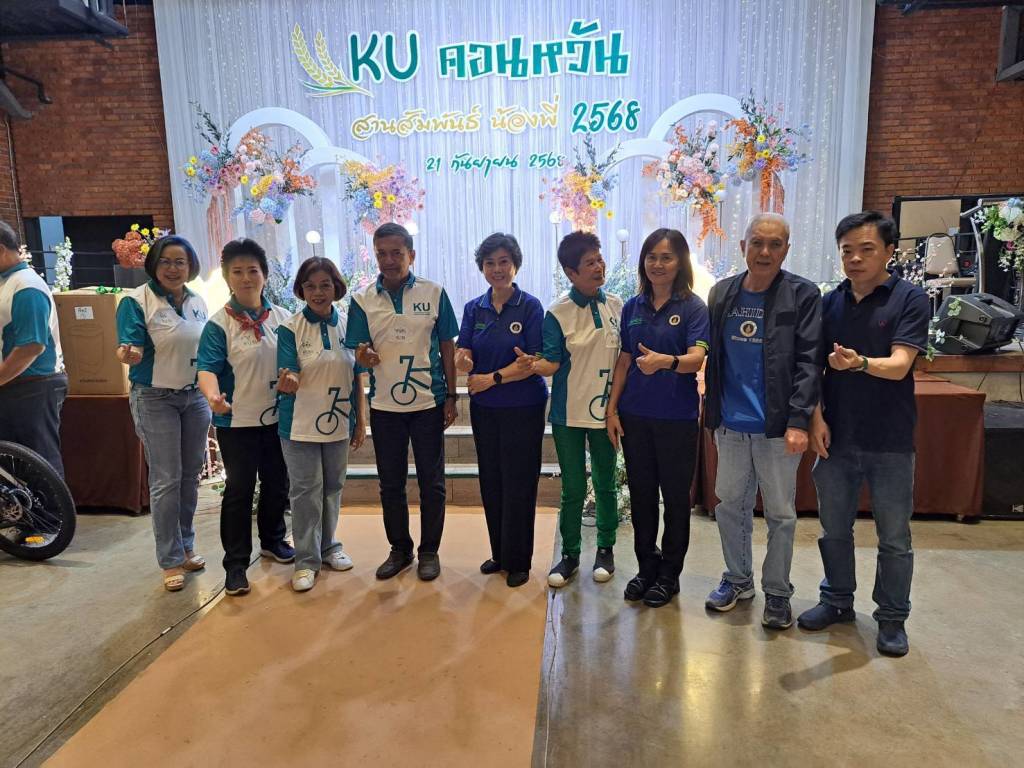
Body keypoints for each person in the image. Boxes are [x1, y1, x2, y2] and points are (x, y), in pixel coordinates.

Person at [798, 211, 929, 657]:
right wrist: (816, 419)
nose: (854, 259)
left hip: (890, 440)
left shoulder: (909, 299)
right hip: (837, 438)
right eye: (846, 251)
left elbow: (900, 365)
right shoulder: (829, 303)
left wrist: (859, 363)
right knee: (834, 529)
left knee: (894, 537)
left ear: (889, 251)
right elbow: (812, 368)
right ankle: (837, 600)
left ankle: (892, 618)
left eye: (866, 249)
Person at [703, 213, 822, 629]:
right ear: (743, 247)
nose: (765, 252)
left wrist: (799, 420)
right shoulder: (721, 294)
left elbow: (809, 362)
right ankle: (738, 580)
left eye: (775, 244)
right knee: (729, 506)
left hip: (777, 429)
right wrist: (712, 416)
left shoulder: (803, 295)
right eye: (757, 242)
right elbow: (713, 357)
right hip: (730, 425)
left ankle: (778, 593)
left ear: (786, 249)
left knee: (780, 514)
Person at [344, 223, 459, 582]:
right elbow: (358, 350)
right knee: (390, 484)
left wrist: (451, 396)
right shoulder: (362, 300)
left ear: (411, 254)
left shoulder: (434, 293)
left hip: (427, 404)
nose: (389, 260)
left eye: (397, 253)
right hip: (385, 407)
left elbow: (447, 347)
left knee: (432, 483)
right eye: (382, 254)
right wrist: (364, 355)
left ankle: (429, 551)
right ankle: (400, 549)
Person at [605, 228, 709, 608]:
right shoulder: (632, 308)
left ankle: (669, 575)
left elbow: (697, 358)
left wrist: (667, 362)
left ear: (680, 262)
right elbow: (624, 361)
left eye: (666, 257)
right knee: (643, 496)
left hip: (677, 418)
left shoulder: (694, 307)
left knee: (676, 500)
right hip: (636, 416)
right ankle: (646, 568)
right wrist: (612, 410)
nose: (658, 264)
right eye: (651, 257)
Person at [516, 230, 623, 588]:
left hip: (606, 413)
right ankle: (571, 555)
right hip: (569, 414)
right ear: (571, 272)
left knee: (606, 483)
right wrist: (534, 365)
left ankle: (605, 549)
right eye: (589, 263)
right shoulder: (557, 312)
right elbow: (552, 362)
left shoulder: (617, 306)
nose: (598, 266)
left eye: (599, 259)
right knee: (574, 488)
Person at [197, 238, 294, 597]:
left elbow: (295, 361)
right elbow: (207, 369)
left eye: (253, 270)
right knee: (239, 490)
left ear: (264, 275)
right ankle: (236, 564)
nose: (246, 278)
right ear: (227, 278)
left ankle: (273, 540)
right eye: (237, 271)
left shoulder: (283, 318)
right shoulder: (219, 324)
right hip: (237, 423)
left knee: (277, 483)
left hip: (278, 419)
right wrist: (213, 397)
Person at [116, 235, 211, 591]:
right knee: (167, 479)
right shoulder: (136, 300)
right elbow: (128, 347)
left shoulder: (198, 301)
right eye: (166, 261)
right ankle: (170, 559)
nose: (173, 268)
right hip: (155, 398)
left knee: (190, 476)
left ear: (190, 266)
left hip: (194, 397)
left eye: (180, 262)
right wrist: (128, 354)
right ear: (154, 264)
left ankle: (186, 546)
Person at [455, 233, 547, 588]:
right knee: (492, 480)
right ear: (482, 267)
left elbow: (532, 361)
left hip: (523, 407)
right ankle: (501, 553)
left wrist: (492, 378)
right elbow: (465, 349)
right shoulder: (473, 308)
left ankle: (519, 560)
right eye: (490, 263)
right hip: (485, 409)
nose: (497, 269)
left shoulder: (530, 307)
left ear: (515, 265)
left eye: (504, 262)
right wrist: (463, 360)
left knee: (519, 481)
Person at [276, 257, 367, 593]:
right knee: (305, 491)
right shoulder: (290, 328)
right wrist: (288, 380)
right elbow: (288, 370)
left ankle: (329, 547)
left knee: (332, 487)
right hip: (299, 424)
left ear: (336, 287)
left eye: (325, 285)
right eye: (310, 286)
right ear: (301, 289)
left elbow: (357, 376)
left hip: (338, 421)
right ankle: (305, 560)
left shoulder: (347, 326)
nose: (318, 292)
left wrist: (361, 421)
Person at [0, 220, 65, 480]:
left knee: (39, 462)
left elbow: (31, 346)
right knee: (15, 466)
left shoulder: (26, 286)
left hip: (32, 385)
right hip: (15, 384)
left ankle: (51, 510)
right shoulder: (7, 282)